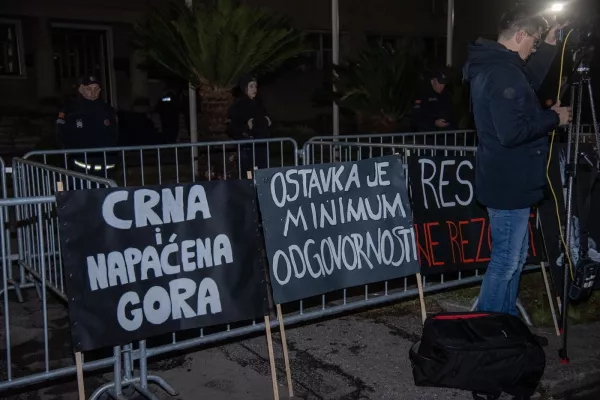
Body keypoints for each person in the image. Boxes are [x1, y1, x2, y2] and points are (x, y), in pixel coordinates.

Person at [463, 6, 572, 317]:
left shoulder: (499, 65)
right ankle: (488, 328)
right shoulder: (501, 72)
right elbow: (511, 132)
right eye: (534, 42)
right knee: (506, 261)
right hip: (508, 183)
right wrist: (554, 117)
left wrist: (550, 42)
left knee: (515, 257)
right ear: (520, 35)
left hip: (508, 180)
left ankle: (506, 325)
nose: (533, 49)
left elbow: (526, 83)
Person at [56, 75, 119, 178]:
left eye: (96, 89)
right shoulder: (70, 110)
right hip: (80, 166)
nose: (93, 92)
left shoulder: (108, 110)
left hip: (106, 166)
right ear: (81, 89)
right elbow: (61, 133)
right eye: (89, 89)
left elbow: (115, 134)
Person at [226, 75, 272, 176]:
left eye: (255, 86)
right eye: (251, 86)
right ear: (244, 88)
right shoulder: (237, 107)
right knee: (248, 176)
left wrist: (268, 122)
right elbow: (231, 129)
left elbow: (268, 121)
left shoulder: (259, 104)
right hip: (247, 149)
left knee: (261, 175)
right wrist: (246, 128)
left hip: (261, 148)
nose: (254, 89)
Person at [411, 67, 456, 133]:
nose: (442, 86)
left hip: (445, 137)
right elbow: (416, 119)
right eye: (440, 83)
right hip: (428, 137)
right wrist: (434, 123)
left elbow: (452, 116)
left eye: (444, 83)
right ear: (432, 81)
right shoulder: (423, 95)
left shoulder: (447, 95)